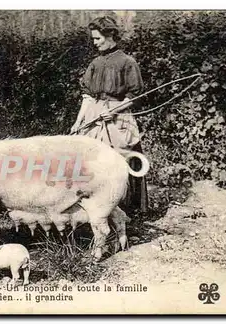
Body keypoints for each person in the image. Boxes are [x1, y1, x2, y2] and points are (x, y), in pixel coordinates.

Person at [71, 16, 148, 213]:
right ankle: (97, 207)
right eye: (93, 39)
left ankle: (128, 208)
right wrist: (78, 123)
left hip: (118, 117)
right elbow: (87, 97)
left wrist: (113, 110)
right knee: (92, 161)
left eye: (97, 39)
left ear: (110, 35)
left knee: (121, 158)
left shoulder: (127, 62)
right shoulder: (95, 63)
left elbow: (135, 96)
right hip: (94, 116)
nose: (94, 43)